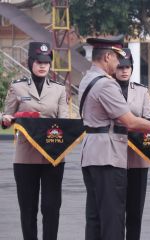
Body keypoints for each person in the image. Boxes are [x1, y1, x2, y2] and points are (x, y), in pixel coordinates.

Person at [79, 38, 150, 240]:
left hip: (91, 153)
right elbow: (130, 122)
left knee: (95, 217)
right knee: (113, 218)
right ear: (108, 56)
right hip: (108, 156)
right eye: (117, 58)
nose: (119, 65)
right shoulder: (106, 85)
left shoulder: (87, 78)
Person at [1, 42, 68, 240]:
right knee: (28, 208)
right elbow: (7, 115)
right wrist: (6, 120)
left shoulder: (59, 90)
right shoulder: (17, 86)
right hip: (25, 156)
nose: (42, 66)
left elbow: (63, 120)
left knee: (51, 206)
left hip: (53, 156)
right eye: (38, 62)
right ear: (31, 63)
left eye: (46, 62)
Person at [114, 48, 150, 240]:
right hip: (113, 154)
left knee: (135, 209)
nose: (124, 71)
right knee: (116, 209)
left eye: (127, 67)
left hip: (137, 156)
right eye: (120, 67)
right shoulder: (107, 88)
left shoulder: (141, 90)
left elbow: (149, 118)